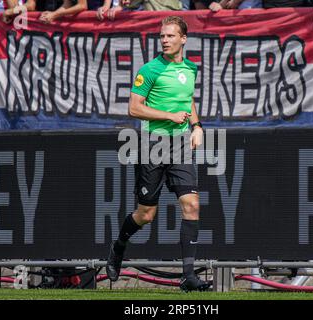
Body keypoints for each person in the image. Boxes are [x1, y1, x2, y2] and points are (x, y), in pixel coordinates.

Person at [106, 16, 210, 292]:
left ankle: (187, 277)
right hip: (152, 144)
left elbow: (187, 99)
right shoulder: (150, 70)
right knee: (146, 214)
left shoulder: (190, 69)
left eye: (171, 36)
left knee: (192, 205)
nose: (165, 40)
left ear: (183, 39)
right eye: (162, 36)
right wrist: (169, 115)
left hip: (179, 145)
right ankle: (119, 246)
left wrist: (197, 125)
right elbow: (134, 108)